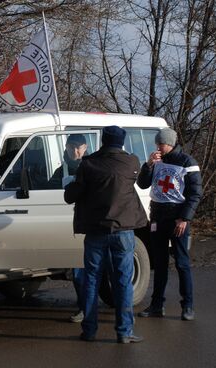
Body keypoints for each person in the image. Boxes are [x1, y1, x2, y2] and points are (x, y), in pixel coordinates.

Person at [64, 126, 148, 344]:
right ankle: (124, 331)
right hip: (123, 230)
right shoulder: (132, 162)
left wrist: (70, 187)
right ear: (121, 142)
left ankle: (90, 331)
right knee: (122, 281)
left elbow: (72, 195)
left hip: (95, 231)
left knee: (91, 280)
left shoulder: (88, 163)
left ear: (102, 140)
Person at [137, 128, 202, 321]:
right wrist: (148, 165)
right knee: (159, 263)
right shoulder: (156, 162)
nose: (158, 147)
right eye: (157, 144)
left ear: (170, 144)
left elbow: (195, 193)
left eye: (161, 144)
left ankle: (187, 306)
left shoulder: (187, 162)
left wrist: (185, 218)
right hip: (158, 218)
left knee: (182, 263)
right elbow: (142, 184)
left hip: (178, 219)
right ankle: (157, 305)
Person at [50, 134, 88, 323]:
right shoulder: (60, 170)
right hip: (66, 225)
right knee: (78, 272)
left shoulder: (91, 167)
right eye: (71, 147)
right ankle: (84, 309)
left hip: (87, 224)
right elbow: (47, 193)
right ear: (65, 148)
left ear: (85, 147)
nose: (74, 151)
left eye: (78, 147)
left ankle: (119, 308)